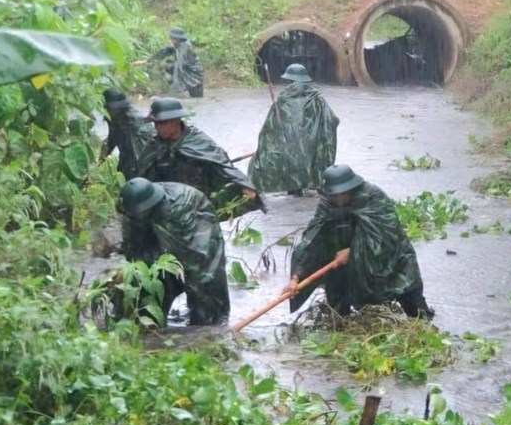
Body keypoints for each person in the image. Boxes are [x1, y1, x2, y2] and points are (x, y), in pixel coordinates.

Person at [282, 164, 433, 319]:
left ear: (350, 189)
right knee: (338, 307)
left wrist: (352, 251)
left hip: (392, 258)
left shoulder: (373, 197)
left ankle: (423, 325)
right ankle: (341, 329)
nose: (336, 198)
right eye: (333, 194)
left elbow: (386, 236)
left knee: (414, 305)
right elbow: (311, 238)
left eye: (340, 194)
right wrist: (296, 277)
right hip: (346, 264)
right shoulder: (328, 202)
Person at [119, 178, 230, 326]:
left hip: (197, 229)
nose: (133, 216)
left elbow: (191, 256)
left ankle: (208, 329)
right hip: (161, 228)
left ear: (150, 206)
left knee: (203, 284)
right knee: (144, 280)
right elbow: (134, 247)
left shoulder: (180, 209)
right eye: (132, 214)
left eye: (138, 214)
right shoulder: (131, 207)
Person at [136, 97, 263, 218]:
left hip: (197, 204)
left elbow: (223, 165)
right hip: (165, 205)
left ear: (176, 121)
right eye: (156, 123)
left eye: (163, 123)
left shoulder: (199, 141)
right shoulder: (154, 145)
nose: (158, 128)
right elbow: (141, 175)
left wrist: (245, 187)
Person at [248, 63, 340, 195]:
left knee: (291, 166)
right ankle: (311, 185)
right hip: (310, 146)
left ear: (289, 80)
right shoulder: (317, 98)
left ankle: (294, 191)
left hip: (289, 147)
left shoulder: (282, 99)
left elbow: (269, 128)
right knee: (308, 161)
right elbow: (333, 119)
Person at [100, 88, 154, 180]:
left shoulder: (134, 121)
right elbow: (112, 139)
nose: (109, 111)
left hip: (140, 158)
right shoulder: (114, 117)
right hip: (126, 155)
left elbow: (141, 153)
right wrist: (101, 162)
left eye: (111, 108)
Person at [151, 27, 205, 98]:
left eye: (172, 38)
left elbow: (182, 64)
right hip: (185, 76)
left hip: (194, 78)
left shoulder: (187, 47)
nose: (171, 40)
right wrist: (148, 60)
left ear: (177, 39)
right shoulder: (176, 46)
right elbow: (165, 51)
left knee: (197, 99)